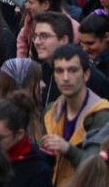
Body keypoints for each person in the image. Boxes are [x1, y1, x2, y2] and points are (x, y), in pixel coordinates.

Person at [41, 44, 109, 185]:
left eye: (72, 70)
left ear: (86, 75)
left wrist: (67, 149)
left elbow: (97, 167)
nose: (65, 78)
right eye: (59, 71)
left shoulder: (102, 114)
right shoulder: (50, 110)